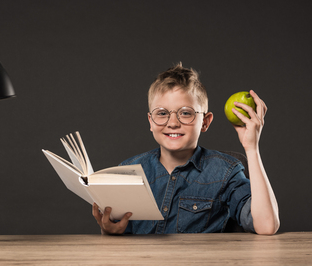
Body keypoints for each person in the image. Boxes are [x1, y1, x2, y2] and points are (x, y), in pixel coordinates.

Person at [92, 63, 280, 235]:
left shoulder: (225, 172)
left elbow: (266, 225)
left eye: (185, 113)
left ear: (205, 122)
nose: (173, 123)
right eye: (162, 113)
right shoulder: (128, 172)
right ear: (150, 122)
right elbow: (118, 241)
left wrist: (252, 148)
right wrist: (109, 231)